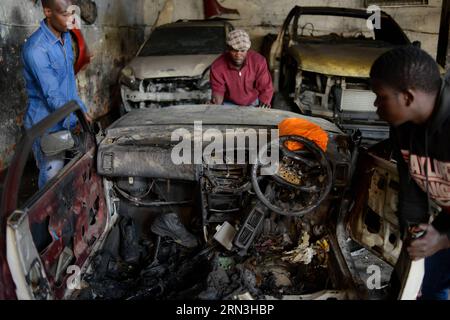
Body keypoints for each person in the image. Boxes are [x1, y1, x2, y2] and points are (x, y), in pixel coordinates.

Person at [370, 46, 450, 300]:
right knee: (427, 286)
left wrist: (443, 240)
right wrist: (414, 230)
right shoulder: (403, 128)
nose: (375, 105)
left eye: (381, 97)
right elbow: (411, 188)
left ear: (407, 97)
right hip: (445, 222)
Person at [22, 0, 90, 188]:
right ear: (48, 11)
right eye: (65, 15)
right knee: (52, 187)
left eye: (72, 13)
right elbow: (53, 95)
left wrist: (82, 109)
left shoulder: (65, 37)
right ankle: (43, 219)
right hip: (46, 126)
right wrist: (79, 118)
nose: (71, 20)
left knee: (72, 177)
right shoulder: (36, 50)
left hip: (67, 118)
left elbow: (67, 82)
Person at [210, 29, 273, 108]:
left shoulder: (258, 61)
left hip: (253, 102)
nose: (238, 55)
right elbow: (218, 91)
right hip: (229, 104)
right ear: (228, 48)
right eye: (234, 50)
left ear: (248, 50)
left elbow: (265, 87)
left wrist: (264, 105)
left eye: (242, 51)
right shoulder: (217, 67)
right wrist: (215, 106)